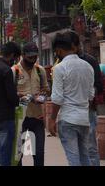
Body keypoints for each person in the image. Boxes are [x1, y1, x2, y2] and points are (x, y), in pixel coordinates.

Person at [48, 32, 95, 166]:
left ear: (59, 50)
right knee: (85, 157)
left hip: (68, 119)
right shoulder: (88, 67)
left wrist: (52, 120)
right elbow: (91, 96)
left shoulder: (59, 68)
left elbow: (57, 98)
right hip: (84, 119)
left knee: (73, 159)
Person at [66, 30, 103, 166]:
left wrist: (87, 98)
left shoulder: (90, 61)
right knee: (75, 150)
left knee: (91, 147)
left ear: (75, 46)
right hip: (71, 111)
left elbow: (98, 86)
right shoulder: (63, 62)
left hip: (88, 111)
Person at [12, 42, 50, 166]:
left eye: (35, 57)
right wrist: (23, 96)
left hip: (37, 117)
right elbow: (10, 93)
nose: (33, 60)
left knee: (39, 153)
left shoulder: (40, 70)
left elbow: (46, 90)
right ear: (22, 55)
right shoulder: (14, 71)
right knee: (18, 154)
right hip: (20, 117)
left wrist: (41, 97)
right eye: (30, 57)